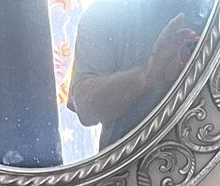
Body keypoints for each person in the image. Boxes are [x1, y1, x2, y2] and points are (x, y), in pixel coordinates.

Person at [66, 1, 205, 150]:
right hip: (133, 167)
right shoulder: (104, 13)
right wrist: (148, 75)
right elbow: (86, 107)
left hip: (219, 154)